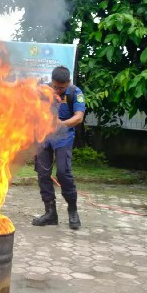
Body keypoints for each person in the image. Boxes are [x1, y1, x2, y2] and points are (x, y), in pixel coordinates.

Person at [32, 65, 86, 230]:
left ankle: (73, 211)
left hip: (63, 136)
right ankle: (50, 213)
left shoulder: (75, 93)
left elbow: (78, 118)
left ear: (68, 82)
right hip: (43, 137)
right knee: (43, 174)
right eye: (55, 86)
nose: (57, 90)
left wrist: (61, 124)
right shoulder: (43, 91)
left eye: (61, 88)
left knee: (63, 172)